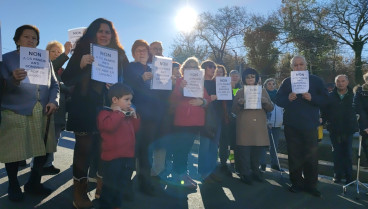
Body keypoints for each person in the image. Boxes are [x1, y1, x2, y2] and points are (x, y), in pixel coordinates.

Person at [61, 18, 129, 209]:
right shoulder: (82, 51)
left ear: (112, 35)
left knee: (104, 150)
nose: (104, 34)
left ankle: (101, 188)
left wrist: (116, 88)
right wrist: (80, 64)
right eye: (100, 31)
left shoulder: (119, 55)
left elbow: (126, 82)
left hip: (109, 108)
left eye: (108, 32)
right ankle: (79, 192)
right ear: (93, 33)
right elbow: (66, 78)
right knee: (83, 150)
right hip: (84, 108)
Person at [0, 25, 59, 201]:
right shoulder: (6, 59)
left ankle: (34, 182)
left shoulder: (45, 59)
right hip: (14, 110)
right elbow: (2, 88)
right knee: (13, 151)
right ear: (17, 40)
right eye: (26, 37)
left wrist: (53, 101)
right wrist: (12, 80)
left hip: (43, 110)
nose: (31, 40)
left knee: (43, 150)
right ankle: (13, 184)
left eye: (34, 38)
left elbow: (55, 84)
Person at [275, 55, 328, 197]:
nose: (298, 67)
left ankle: (311, 185)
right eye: (295, 65)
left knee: (311, 156)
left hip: (310, 124)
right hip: (291, 124)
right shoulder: (287, 82)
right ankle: (296, 183)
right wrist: (288, 98)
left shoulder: (316, 81)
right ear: (292, 67)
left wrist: (312, 98)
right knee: (294, 155)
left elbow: (325, 100)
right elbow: (278, 100)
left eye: (301, 64)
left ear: (306, 65)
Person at [124, 39, 167, 196]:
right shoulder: (130, 67)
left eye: (144, 50)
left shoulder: (154, 67)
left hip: (152, 115)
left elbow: (162, 92)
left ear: (148, 53)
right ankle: (125, 185)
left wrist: (170, 82)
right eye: (138, 50)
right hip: (136, 115)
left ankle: (145, 182)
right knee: (132, 150)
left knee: (146, 150)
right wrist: (141, 79)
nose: (141, 53)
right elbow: (127, 88)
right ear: (134, 53)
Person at [169, 57, 211, 189]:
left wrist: (202, 102)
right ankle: (179, 176)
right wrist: (180, 89)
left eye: (194, 67)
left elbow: (207, 99)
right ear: (184, 69)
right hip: (182, 121)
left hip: (196, 121)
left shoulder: (200, 82)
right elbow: (172, 100)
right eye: (188, 67)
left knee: (186, 150)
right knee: (180, 150)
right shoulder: (180, 81)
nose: (192, 69)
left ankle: (183, 174)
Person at [97, 83, 140, 209]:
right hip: (112, 159)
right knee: (110, 186)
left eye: (130, 100)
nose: (129, 103)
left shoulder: (126, 114)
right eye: (126, 100)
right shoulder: (105, 113)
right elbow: (109, 127)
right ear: (115, 100)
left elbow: (136, 129)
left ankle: (117, 205)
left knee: (121, 185)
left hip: (127, 157)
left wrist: (135, 117)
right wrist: (119, 114)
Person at [232, 68, 273, 184]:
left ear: (256, 78)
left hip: (259, 125)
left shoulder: (263, 91)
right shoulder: (239, 91)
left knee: (257, 151)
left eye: (252, 77)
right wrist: (239, 104)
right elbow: (234, 110)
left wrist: (265, 101)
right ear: (244, 79)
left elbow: (271, 108)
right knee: (244, 151)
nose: (250, 79)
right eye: (247, 77)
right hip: (244, 125)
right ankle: (245, 173)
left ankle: (256, 171)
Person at [37, 40, 72, 175]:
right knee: (44, 139)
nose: (57, 54)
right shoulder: (44, 65)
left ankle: (48, 163)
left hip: (60, 111)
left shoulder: (62, 70)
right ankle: (38, 165)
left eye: (59, 51)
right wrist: (66, 53)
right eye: (54, 51)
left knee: (55, 139)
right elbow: (53, 71)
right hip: (48, 110)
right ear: (47, 53)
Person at [321, 75, 357, 184]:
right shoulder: (330, 96)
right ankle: (337, 175)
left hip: (348, 130)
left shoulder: (354, 96)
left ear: (347, 82)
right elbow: (324, 112)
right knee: (336, 153)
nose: (340, 83)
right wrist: (323, 122)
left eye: (343, 81)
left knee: (348, 154)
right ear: (335, 83)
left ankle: (349, 176)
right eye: (338, 81)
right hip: (334, 129)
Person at [198, 60, 223, 183]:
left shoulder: (217, 83)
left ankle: (211, 171)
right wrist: (209, 99)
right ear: (203, 69)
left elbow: (226, 99)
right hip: (204, 119)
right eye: (210, 67)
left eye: (214, 67)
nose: (213, 69)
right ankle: (203, 173)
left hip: (217, 118)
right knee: (204, 146)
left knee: (214, 147)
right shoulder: (199, 83)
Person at [260, 78, 283, 171]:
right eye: (269, 84)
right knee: (264, 145)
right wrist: (266, 120)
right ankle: (262, 164)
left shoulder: (279, 96)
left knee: (274, 146)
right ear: (265, 86)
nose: (272, 85)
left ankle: (275, 164)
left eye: (273, 84)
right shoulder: (263, 96)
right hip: (266, 124)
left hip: (277, 124)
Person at [353, 72, 368, 168]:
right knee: (365, 144)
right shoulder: (360, 92)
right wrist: (365, 126)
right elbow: (358, 108)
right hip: (365, 124)